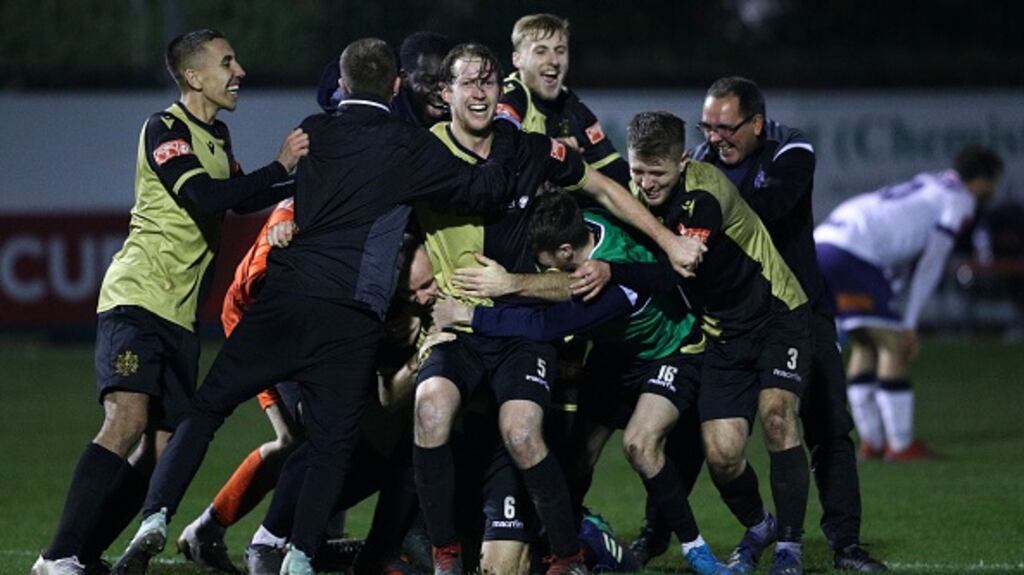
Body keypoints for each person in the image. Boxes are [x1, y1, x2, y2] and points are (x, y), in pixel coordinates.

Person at [112, 37, 522, 575]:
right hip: (349, 317)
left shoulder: (314, 131)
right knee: (331, 445)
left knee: (208, 409)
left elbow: (275, 189)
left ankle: (155, 518)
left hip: (283, 300)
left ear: (343, 87)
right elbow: (482, 191)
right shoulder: (412, 147)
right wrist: (514, 137)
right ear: (396, 85)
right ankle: (300, 555)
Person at [411, 43, 703, 575]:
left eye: (488, 82)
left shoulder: (531, 149)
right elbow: (385, 217)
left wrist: (669, 240)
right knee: (429, 413)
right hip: (455, 326)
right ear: (444, 92)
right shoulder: (420, 153)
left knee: (523, 435)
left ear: (502, 91)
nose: (479, 93)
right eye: (468, 83)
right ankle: (443, 556)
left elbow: (608, 190)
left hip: (522, 329)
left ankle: (568, 556)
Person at [30, 29, 308, 575]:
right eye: (227, 62)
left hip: (179, 315)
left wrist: (310, 182)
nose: (240, 72)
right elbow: (203, 195)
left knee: (159, 449)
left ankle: (85, 557)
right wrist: (280, 168)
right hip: (138, 297)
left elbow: (240, 197)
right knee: (127, 418)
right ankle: (56, 555)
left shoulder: (218, 135)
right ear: (193, 76)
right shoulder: (166, 129)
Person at [431, 191, 733, 575]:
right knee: (575, 460)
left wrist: (470, 314)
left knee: (640, 445)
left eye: (546, 265)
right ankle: (577, 540)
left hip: (670, 350)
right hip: (616, 354)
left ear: (566, 252)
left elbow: (547, 325)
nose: (542, 273)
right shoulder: (586, 222)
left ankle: (697, 551)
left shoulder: (611, 280)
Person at [686, 76, 887, 572]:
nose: (715, 138)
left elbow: (771, 208)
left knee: (828, 427)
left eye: (727, 127)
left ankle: (845, 545)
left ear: (756, 123)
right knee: (699, 436)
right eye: (707, 127)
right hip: (728, 321)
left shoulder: (791, 149)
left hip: (800, 311)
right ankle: (660, 532)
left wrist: (703, 207)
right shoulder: (702, 160)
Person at [598, 111, 812, 575]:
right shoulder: (638, 189)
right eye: (638, 171)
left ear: (681, 162)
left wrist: (610, 272)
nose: (646, 184)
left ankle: (790, 548)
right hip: (720, 333)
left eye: (657, 173)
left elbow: (679, 268)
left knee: (777, 418)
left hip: (777, 315)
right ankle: (760, 525)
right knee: (723, 455)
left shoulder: (703, 196)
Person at [815, 145, 1002, 462]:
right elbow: (932, 262)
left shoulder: (932, 183)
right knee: (894, 344)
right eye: (993, 181)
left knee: (864, 342)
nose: (994, 190)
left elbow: (899, 248)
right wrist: (909, 323)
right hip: (853, 251)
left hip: (824, 244)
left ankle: (871, 443)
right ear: (982, 179)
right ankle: (901, 446)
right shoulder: (960, 200)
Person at [497, 13, 631, 187]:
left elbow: (613, 168)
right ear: (517, 59)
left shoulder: (570, 104)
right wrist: (554, 151)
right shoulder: (508, 96)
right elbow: (501, 155)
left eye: (560, 51)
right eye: (541, 51)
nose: (553, 60)